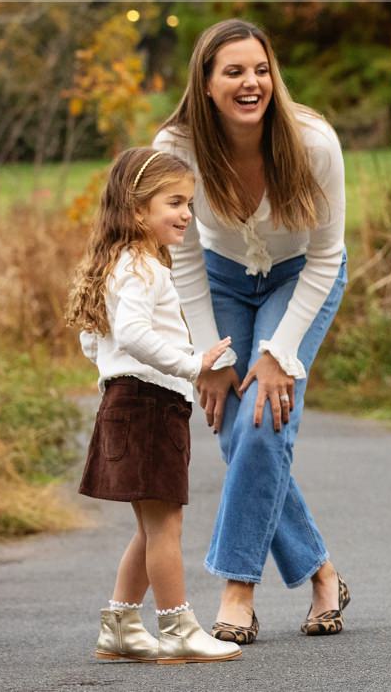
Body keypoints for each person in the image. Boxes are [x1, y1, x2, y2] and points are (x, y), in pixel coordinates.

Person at [152, 18, 350, 643]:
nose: (251, 83)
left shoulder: (313, 142)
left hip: (302, 277)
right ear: (206, 84)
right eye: (233, 71)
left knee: (264, 419)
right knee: (239, 430)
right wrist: (210, 357)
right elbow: (183, 257)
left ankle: (237, 588)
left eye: (261, 70)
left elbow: (326, 256)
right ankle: (321, 572)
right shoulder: (176, 147)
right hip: (220, 282)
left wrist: (279, 352)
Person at [65, 147, 240, 664]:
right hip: (150, 404)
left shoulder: (120, 263)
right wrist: (191, 364)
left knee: (149, 526)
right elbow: (134, 334)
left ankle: (119, 627)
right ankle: (178, 629)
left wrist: (112, 368)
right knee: (166, 527)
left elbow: (94, 340)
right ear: (138, 209)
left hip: (130, 401)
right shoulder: (143, 267)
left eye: (189, 203)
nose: (186, 213)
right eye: (175, 202)